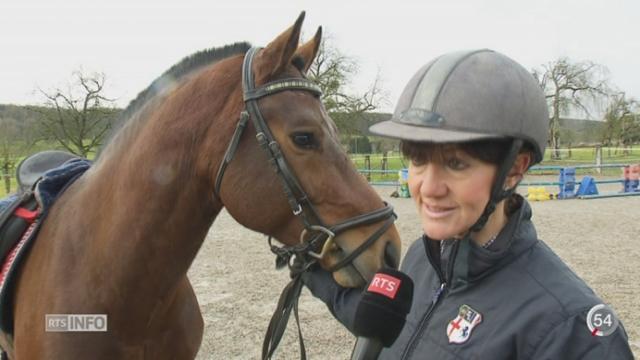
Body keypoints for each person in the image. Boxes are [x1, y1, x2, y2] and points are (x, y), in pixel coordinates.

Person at [301, 49, 634, 359]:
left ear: (514, 169)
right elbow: (378, 320)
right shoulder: (423, 257)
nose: (428, 188)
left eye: (456, 164)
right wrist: (310, 270)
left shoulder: (569, 328)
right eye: (417, 161)